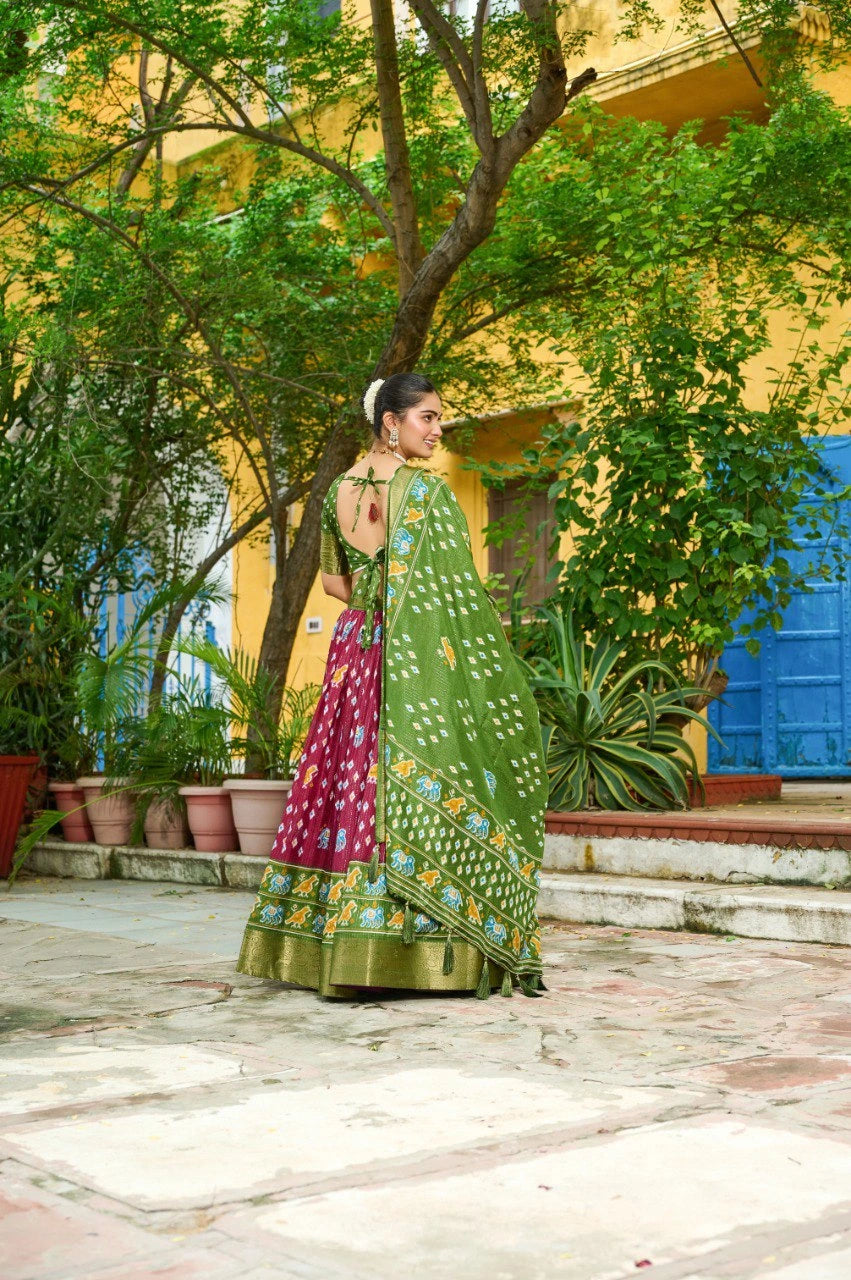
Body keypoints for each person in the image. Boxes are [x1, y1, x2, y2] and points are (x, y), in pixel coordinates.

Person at [237, 372, 548, 999]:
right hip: (412, 652)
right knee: (414, 771)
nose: (437, 431)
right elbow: (459, 598)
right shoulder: (426, 497)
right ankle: (411, 950)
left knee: (350, 777)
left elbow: (334, 585)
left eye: (438, 419)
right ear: (391, 422)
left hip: (357, 649)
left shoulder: (338, 494)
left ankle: (333, 944)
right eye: (427, 418)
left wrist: (379, 607)